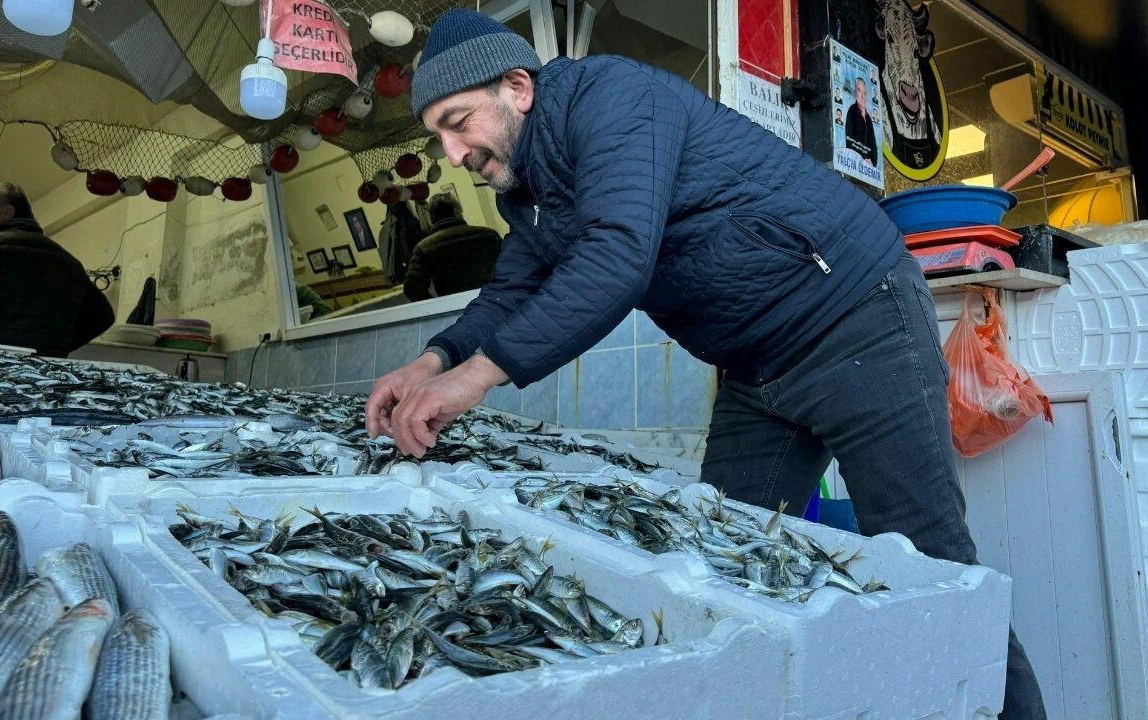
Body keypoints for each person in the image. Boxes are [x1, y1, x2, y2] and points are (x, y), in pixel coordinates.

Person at [363, 11, 1045, 718]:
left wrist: (476, 377)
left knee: (936, 576)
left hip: (855, 319)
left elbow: (617, 254)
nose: (450, 152)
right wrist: (430, 360)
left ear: (517, 88)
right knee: (721, 565)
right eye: (439, 135)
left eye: (458, 121)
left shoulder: (611, 99)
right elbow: (509, 293)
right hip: (758, 371)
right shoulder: (529, 195)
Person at [0, 183, 114, 356]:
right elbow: (102, 316)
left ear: (7, 212)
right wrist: (55, 347)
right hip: (43, 373)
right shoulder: (69, 262)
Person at [403, 192, 502, 301]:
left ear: (431, 217)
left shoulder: (423, 248)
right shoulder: (489, 235)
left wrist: (438, 305)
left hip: (455, 306)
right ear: (456, 211)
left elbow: (412, 288)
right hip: (493, 300)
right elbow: (512, 266)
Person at [845, 77, 879, 166]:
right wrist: (860, 159)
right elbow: (849, 139)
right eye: (859, 91)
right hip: (856, 165)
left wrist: (873, 163)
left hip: (869, 168)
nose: (862, 96)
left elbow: (874, 146)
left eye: (865, 93)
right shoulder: (852, 111)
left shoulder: (868, 118)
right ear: (855, 92)